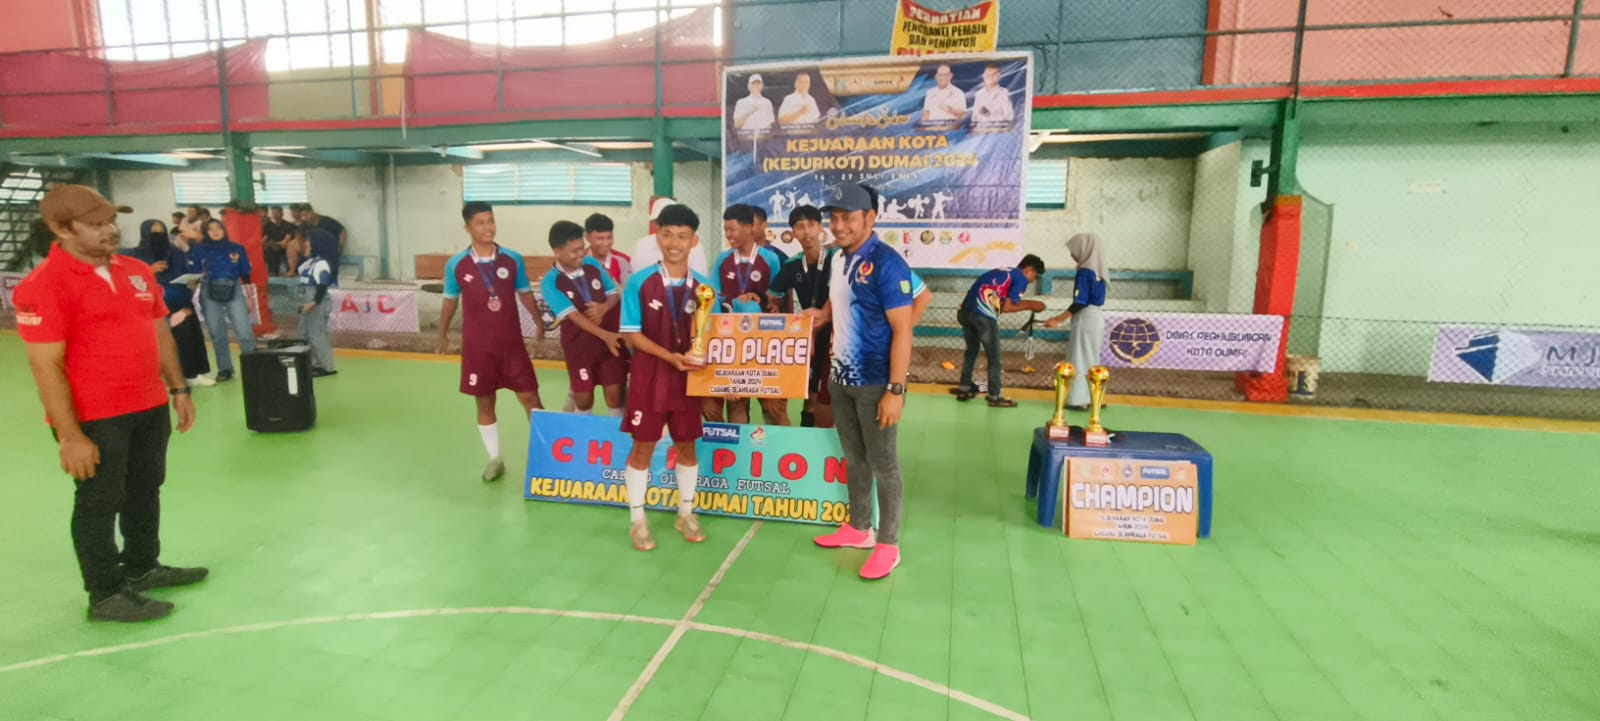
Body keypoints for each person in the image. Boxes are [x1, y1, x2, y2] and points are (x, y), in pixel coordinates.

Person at [13, 185, 206, 622]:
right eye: (96, 224)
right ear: (61, 229)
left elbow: (159, 331)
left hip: (148, 404)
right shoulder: (42, 286)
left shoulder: (136, 271)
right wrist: (70, 436)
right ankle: (104, 594)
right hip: (95, 417)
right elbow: (45, 366)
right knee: (100, 501)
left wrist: (178, 390)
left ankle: (141, 565)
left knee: (145, 487)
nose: (110, 230)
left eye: (112, 221)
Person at [808, 183, 926, 580]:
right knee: (854, 457)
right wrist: (823, 315)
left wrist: (896, 390)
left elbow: (904, 327)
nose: (838, 225)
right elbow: (839, 296)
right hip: (840, 377)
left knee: (884, 464)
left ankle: (888, 545)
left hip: (877, 383)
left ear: (870, 218)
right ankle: (859, 528)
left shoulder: (887, 262)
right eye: (834, 218)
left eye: (848, 218)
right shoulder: (838, 258)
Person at [617, 204, 719, 551]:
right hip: (649, 377)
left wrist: (703, 361)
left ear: (694, 241)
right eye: (668, 235)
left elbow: (710, 335)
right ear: (657, 237)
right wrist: (670, 357)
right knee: (643, 447)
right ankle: (637, 520)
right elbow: (632, 335)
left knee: (687, 445)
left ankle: (685, 513)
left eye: (682, 236)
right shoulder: (639, 283)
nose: (674, 243)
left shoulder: (705, 288)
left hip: (688, 380)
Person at [436, 202, 546, 482]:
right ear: (468, 228)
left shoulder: (512, 259)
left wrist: (538, 320)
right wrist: (442, 333)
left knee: (531, 399)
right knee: (485, 403)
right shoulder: (456, 265)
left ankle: (548, 456)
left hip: (512, 347)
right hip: (478, 349)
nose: (488, 227)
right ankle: (495, 459)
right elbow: (450, 301)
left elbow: (525, 294)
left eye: (491, 221)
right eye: (481, 222)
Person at [706, 204, 785, 425]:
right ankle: (739, 447)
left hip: (763, 344)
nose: (728, 234)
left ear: (749, 228)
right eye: (726, 229)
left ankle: (779, 445)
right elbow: (712, 298)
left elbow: (777, 297)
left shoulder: (770, 259)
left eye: (732, 229)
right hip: (731, 343)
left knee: (772, 404)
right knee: (736, 402)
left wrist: (762, 298)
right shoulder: (722, 260)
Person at [541, 220, 627, 416]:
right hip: (580, 347)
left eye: (582, 248)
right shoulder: (550, 282)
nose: (581, 254)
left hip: (610, 344)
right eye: (575, 251)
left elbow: (613, 293)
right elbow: (574, 316)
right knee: (583, 398)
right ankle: (583, 432)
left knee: (615, 394)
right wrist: (605, 335)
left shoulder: (591, 264)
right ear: (557, 251)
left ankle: (615, 433)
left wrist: (604, 308)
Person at [767, 205, 835, 428]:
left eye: (811, 225)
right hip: (809, 333)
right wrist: (773, 306)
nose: (806, 232)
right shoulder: (792, 265)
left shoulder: (837, 258)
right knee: (809, 392)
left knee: (828, 395)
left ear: (820, 227)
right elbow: (772, 296)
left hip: (836, 333)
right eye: (800, 227)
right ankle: (807, 438)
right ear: (793, 233)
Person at [953, 255, 1047, 407]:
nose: (1032, 280)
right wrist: (1032, 305)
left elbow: (999, 305)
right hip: (983, 315)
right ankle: (994, 396)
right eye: (1034, 275)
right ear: (1028, 270)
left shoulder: (1003, 271)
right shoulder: (1020, 278)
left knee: (971, 351)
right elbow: (1008, 307)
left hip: (965, 312)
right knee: (995, 358)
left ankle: (964, 389)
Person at [134, 219, 214, 387]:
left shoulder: (174, 252)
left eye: (161, 232)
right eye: (154, 232)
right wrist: (148, 270)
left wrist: (191, 279)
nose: (158, 236)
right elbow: (130, 279)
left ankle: (192, 374)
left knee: (187, 337)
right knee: (155, 342)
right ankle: (159, 375)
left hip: (179, 299)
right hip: (150, 305)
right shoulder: (136, 255)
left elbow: (188, 269)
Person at [1044, 233, 1109, 410]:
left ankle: (1078, 399)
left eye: (1074, 250)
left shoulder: (1084, 272)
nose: (1072, 255)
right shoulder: (1100, 271)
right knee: (1092, 358)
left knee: (1079, 357)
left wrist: (1057, 319)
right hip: (1096, 318)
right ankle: (1093, 397)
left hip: (1085, 318)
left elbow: (1080, 302)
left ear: (1083, 249)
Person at [186, 218, 256, 382]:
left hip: (233, 288)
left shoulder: (236, 248)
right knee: (217, 332)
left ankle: (252, 366)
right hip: (208, 290)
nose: (215, 231)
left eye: (218, 227)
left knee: (244, 330)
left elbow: (245, 273)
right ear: (205, 232)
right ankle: (225, 369)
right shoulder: (200, 250)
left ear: (224, 230)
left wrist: (250, 297)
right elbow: (193, 273)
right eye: (210, 229)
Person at [293, 229, 338, 378]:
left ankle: (327, 366)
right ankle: (313, 363)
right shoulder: (310, 261)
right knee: (304, 333)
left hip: (316, 300)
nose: (305, 243)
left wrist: (313, 303)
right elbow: (299, 268)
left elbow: (322, 285)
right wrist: (305, 254)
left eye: (308, 241)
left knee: (317, 334)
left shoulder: (322, 263)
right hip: (307, 299)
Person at [633, 196, 710, 278]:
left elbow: (700, 276)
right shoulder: (642, 244)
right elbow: (637, 274)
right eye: (659, 222)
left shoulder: (695, 247)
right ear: (653, 223)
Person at [585, 212, 632, 284]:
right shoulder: (578, 259)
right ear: (587, 237)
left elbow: (629, 289)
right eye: (600, 238)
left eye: (609, 238)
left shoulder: (623, 260)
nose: (606, 243)